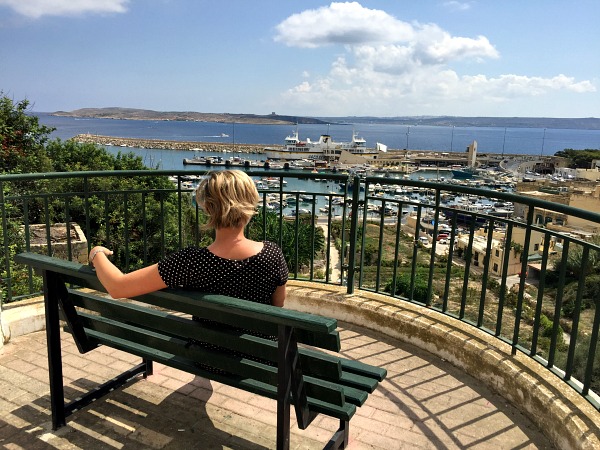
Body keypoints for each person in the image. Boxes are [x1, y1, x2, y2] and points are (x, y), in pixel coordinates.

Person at [88, 170, 288, 307]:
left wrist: (97, 253)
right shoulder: (272, 254)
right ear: (251, 206)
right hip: (262, 361)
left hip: (209, 361)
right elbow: (277, 305)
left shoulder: (191, 261)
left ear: (207, 208)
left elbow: (118, 287)